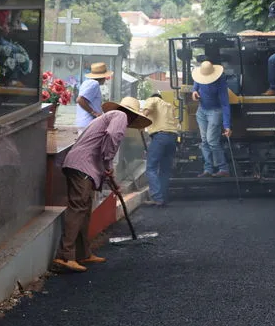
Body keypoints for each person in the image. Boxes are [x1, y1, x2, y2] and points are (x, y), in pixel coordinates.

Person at [53, 97, 151, 272]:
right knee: (78, 208)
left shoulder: (110, 117)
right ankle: (64, 256)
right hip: (81, 166)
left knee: (84, 210)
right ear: (132, 116)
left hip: (83, 167)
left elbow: (100, 146)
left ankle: (83, 253)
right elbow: (112, 137)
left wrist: (107, 175)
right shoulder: (120, 116)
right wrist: (108, 164)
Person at [191, 60, 232, 178]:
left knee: (212, 141)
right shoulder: (199, 77)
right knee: (204, 141)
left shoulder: (220, 82)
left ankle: (223, 168)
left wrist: (227, 125)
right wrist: (194, 92)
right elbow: (195, 87)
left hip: (215, 111)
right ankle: (208, 169)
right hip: (201, 111)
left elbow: (225, 103)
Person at [142, 93, 180, 205]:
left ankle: (157, 198)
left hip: (160, 137)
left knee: (151, 168)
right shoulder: (168, 106)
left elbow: (145, 112)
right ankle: (163, 197)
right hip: (172, 138)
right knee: (165, 170)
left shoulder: (153, 99)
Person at [76, 62, 111, 132]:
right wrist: (94, 113)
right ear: (102, 77)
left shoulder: (86, 82)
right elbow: (80, 100)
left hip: (83, 122)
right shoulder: (94, 84)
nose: (106, 79)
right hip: (89, 123)